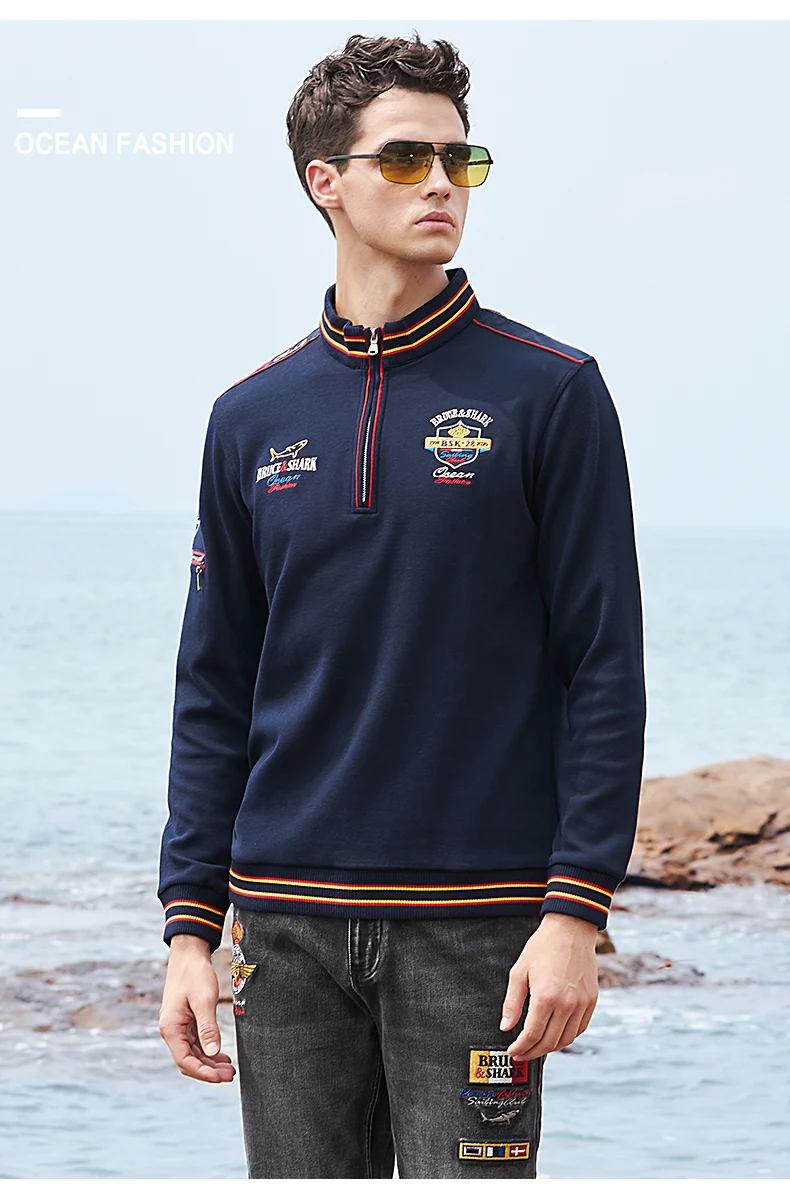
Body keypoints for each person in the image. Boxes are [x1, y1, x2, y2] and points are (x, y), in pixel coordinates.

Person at [156, 30, 647, 1180]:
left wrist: (575, 913)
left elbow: (602, 668)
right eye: (406, 157)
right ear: (324, 181)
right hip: (281, 935)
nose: (441, 183)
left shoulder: (551, 393)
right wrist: (188, 925)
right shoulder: (249, 416)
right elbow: (214, 686)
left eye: (460, 159)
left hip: (481, 932)